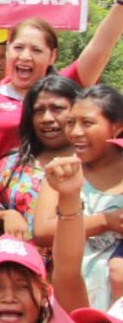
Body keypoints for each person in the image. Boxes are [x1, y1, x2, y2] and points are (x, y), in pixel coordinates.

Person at [0, 0, 123, 182]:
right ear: (8, 50)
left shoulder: (66, 87)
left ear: (52, 56)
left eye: (36, 50)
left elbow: (99, 49)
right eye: (18, 48)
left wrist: (121, 0)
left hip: (62, 191)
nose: (25, 56)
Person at [35, 86, 123, 309]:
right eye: (71, 122)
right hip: (70, 299)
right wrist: (106, 221)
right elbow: (42, 231)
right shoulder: (63, 170)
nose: (75, 132)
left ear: (117, 128)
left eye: (87, 123)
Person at [0, 75, 79, 241]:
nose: (47, 118)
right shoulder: (12, 164)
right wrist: (5, 216)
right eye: (39, 111)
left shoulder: (97, 164)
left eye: (57, 109)